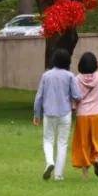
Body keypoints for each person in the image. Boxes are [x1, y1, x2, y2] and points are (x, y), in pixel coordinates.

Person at [33, 48, 82, 182]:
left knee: (48, 140)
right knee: (62, 143)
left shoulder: (46, 75)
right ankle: (59, 175)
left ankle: (50, 162)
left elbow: (39, 97)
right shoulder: (70, 76)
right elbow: (77, 95)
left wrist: (37, 114)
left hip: (49, 113)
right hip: (65, 113)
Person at [71, 52, 98, 178]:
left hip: (83, 113)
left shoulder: (77, 79)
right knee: (95, 139)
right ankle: (96, 158)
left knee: (83, 142)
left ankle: (85, 173)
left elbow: (74, 97)